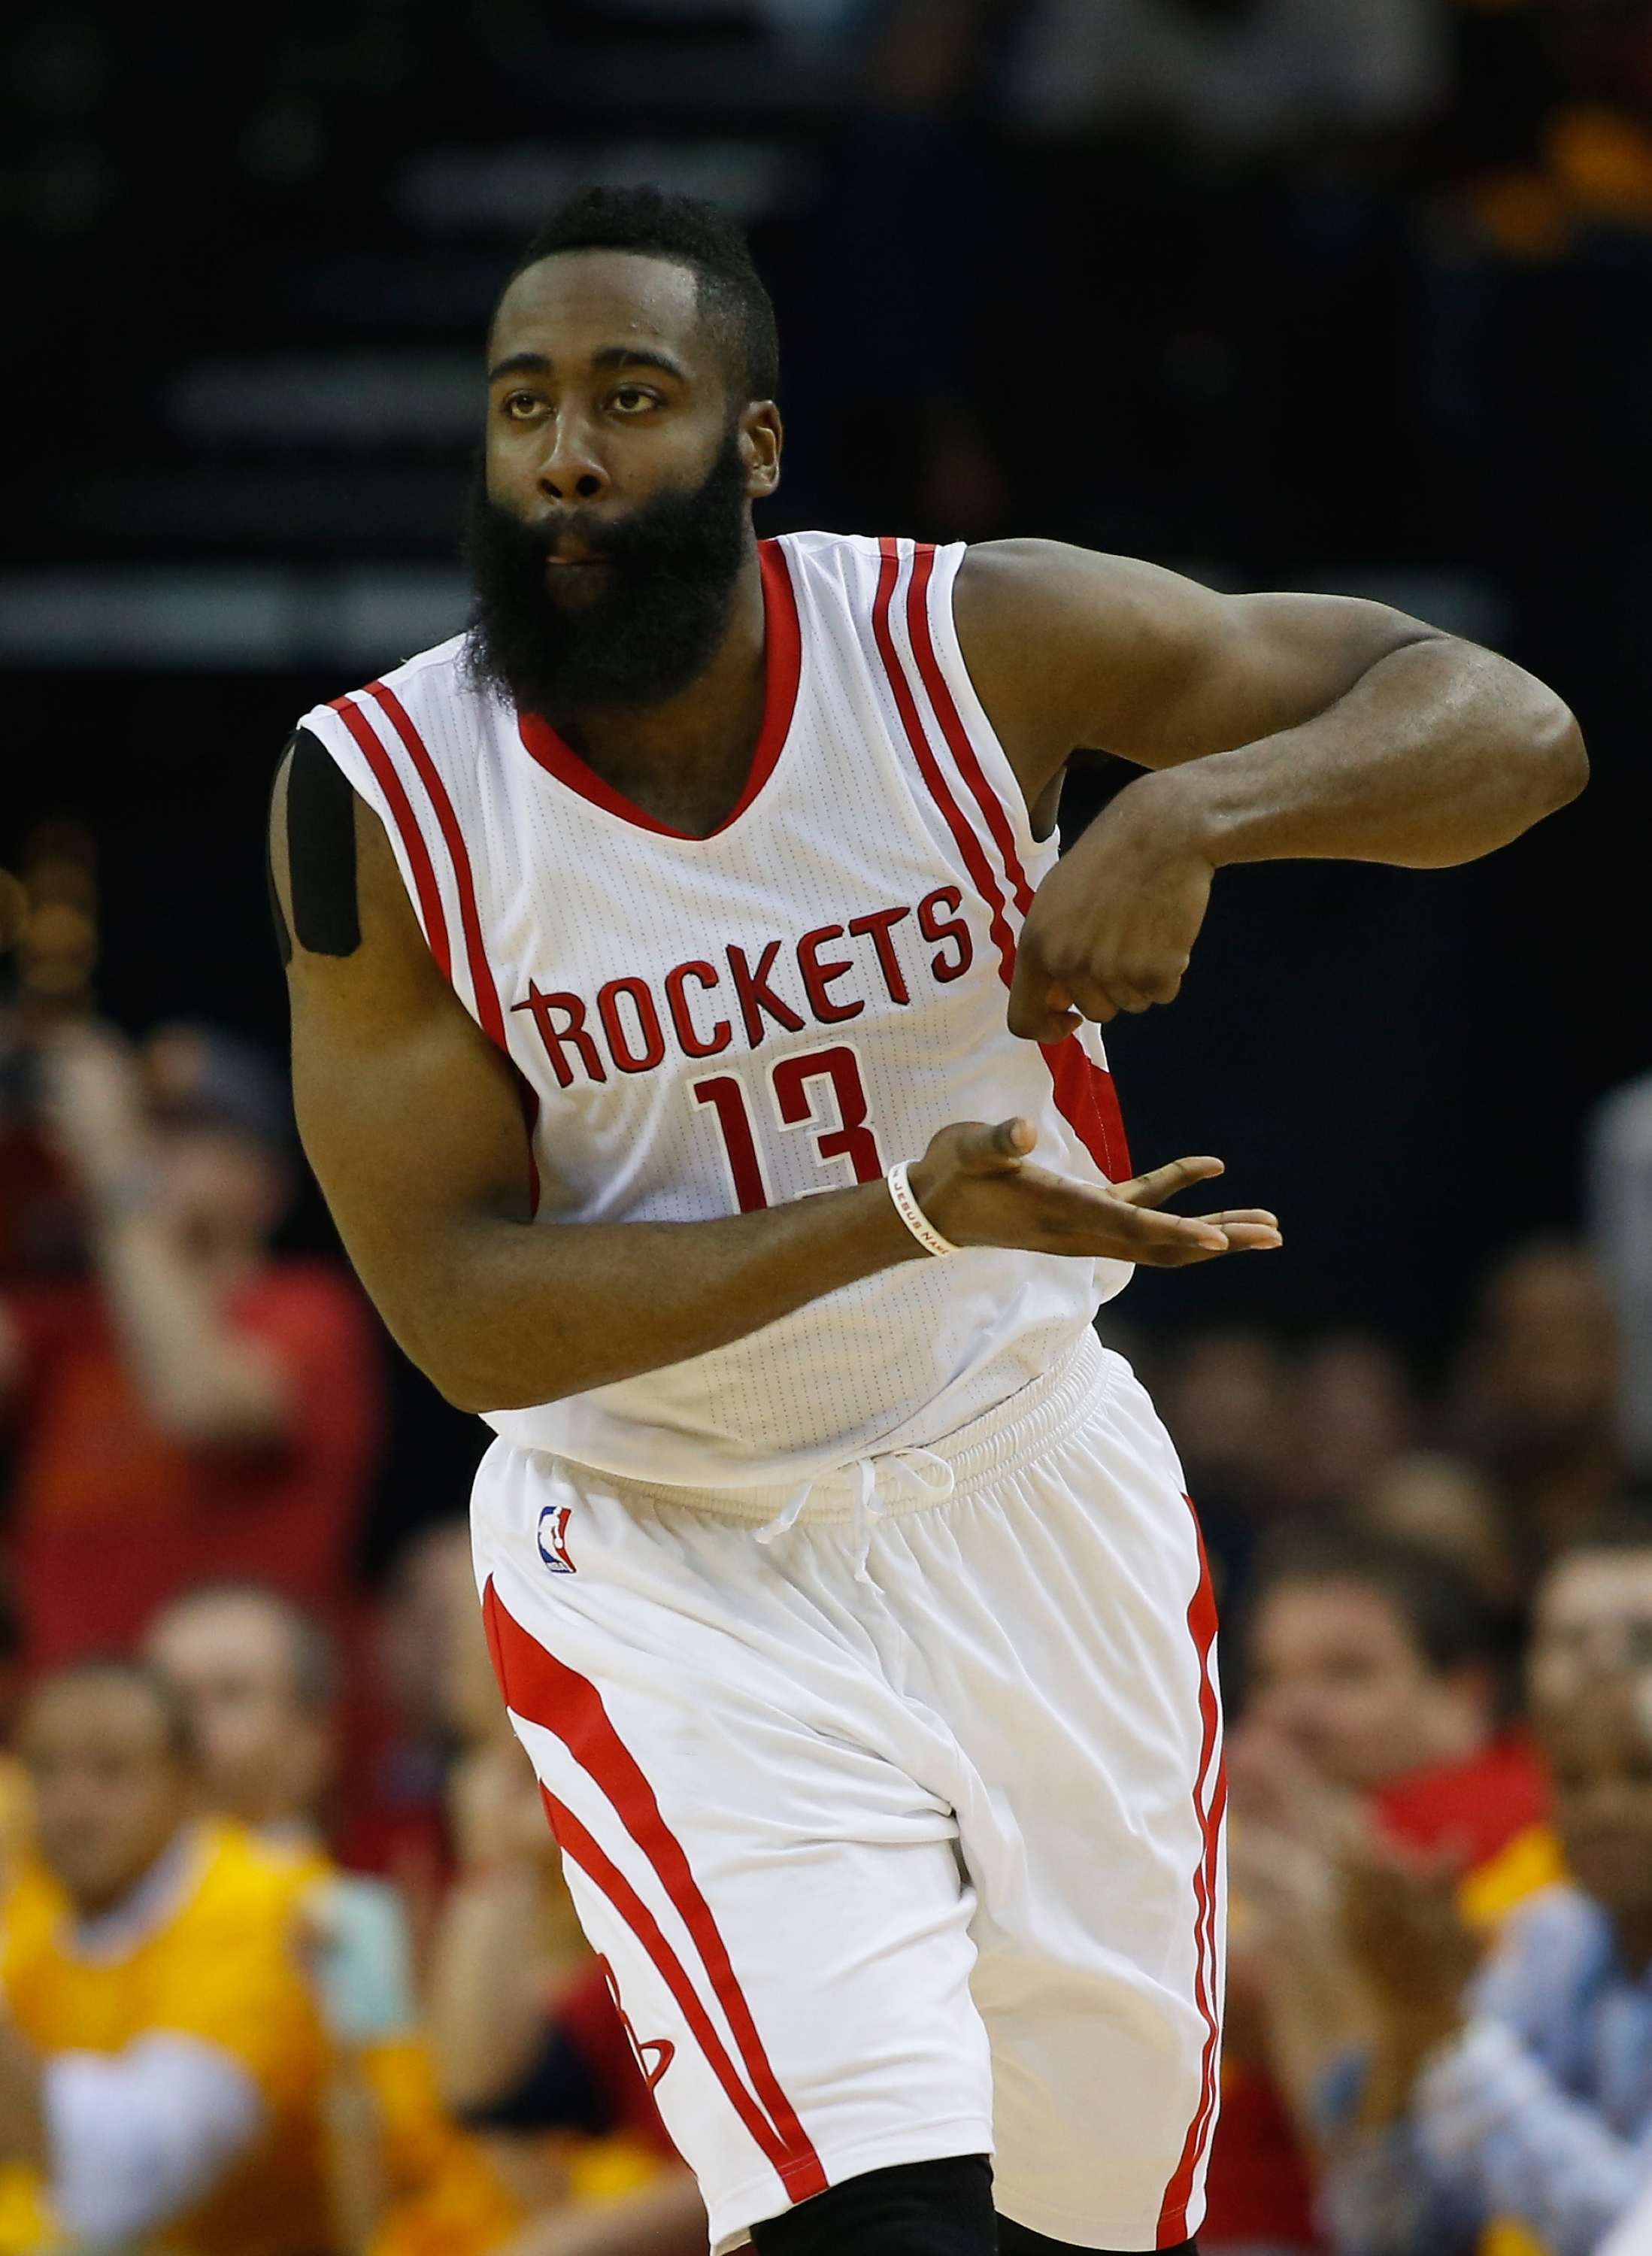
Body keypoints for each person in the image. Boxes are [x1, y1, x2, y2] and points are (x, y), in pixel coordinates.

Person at [268, 182, 1583, 2256]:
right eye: (521, 407)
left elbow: (1515, 731)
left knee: (1081, 2223)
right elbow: (458, 1312)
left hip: (1029, 1484)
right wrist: (893, 1217)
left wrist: (1183, 811)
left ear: (754, 444)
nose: (567, 458)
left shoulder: (971, 641)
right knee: (872, 2213)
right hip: (672, 1550)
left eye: (627, 397)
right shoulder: (382, 796)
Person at [1205, 1528, 1555, 2254]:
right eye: (1271, 1677)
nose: (1292, 1711)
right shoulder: (1271, 1812)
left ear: (1465, 1692)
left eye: (1345, 1675)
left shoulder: (1517, 1819)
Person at [0, 1022, 380, 1667]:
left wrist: (115, 1175)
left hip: (223, 1719)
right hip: (61, 1717)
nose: (149, 1149)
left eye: (188, 1132)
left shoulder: (310, 1310)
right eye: (145, 1128)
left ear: (266, 1186)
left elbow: (196, 1401)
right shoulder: (67, 1317)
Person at [0, 1659, 337, 2256]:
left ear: (191, 1786)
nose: (72, 1805)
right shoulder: (33, 1902)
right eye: (45, 1771)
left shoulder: (268, 1905)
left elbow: (136, 2173)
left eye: (113, 1773)